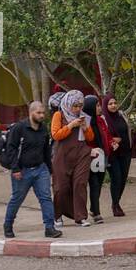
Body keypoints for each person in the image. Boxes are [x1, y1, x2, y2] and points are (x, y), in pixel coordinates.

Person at [0, 101, 60, 239]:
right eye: (38, 113)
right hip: (22, 170)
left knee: (45, 198)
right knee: (17, 199)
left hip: (40, 169)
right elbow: (11, 149)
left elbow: (46, 149)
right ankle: (8, 225)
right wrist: (15, 169)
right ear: (31, 112)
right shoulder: (19, 128)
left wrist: (49, 169)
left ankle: (49, 227)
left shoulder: (43, 129)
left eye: (43, 113)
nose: (41, 115)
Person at [51, 89, 94, 228]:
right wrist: (70, 126)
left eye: (80, 106)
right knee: (61, 187)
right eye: (74, 106)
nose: (77, 109)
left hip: (81, 153)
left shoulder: (84, 117)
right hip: (62, 155)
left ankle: (80, 217)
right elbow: (56, 135)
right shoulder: (59, 115)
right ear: (68, 103)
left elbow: (90, 138)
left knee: (80, 184)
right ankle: (57, 215)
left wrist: (85, 127)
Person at [99, 95, 136, 217]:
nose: (113, 105)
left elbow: (130, 130)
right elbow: (102, 135)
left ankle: (117, 202)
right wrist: (112, 140)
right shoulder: (103, 118)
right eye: (110, 104)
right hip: (112, 154)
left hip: (125, 152)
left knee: (123, 179)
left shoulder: (121, 115)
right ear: (105, 105)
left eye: (115, 103)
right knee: (117, 178)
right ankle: (115, 205)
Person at [83, 95, 108, 224]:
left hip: (102, 155)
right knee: (94, 183)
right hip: (90, 156)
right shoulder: (84, 122)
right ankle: (97, 213)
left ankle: (93, 208)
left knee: (99, 182)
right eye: (97, 105)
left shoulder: (100, 120)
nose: (99, 108)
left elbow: (104, 136)